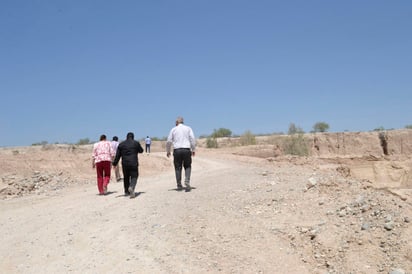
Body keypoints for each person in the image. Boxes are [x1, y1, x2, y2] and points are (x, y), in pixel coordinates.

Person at [166, 116, 196, 191]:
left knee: (178, 167)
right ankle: (187, 181)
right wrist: (193, 149)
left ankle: (179, 185)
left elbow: (169, 141)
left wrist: (168, 151)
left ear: (177, 122)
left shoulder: (173, 129)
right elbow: (192, 139)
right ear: (182, 122)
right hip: (186, 149)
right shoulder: (188, 128)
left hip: (177, 150)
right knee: (188, 166)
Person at [112, 132, 144, 198]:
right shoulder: (135, 143)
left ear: (126, 137)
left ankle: (126, 191)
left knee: (126, 177)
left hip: (125, 164)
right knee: (134, 176)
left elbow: (117, 156)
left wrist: (114, 164)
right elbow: (141, 150)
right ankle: (131, 187)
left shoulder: (121, 144)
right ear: (133, 137)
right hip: (134, 163)